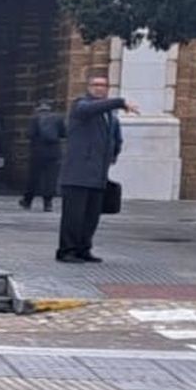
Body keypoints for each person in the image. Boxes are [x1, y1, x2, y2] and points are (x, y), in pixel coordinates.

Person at [56, 75, 139, 263]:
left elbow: (114, 138)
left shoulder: (110, 116)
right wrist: (120, 102)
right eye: (96, 85)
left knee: (91, 217)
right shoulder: (81, 106)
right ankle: (67, 250)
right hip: (77, 174)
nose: (99, 88)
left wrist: (113, 154)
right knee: (74, 217)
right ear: (88, 87)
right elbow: (89, 109)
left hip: (98, 175)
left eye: (103, 85)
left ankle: (83, 248)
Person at [21, 99, 67, 212]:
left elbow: (30, 134)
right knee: (51, 178)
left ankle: (27, 200)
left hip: (37, 152)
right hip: (54, 152)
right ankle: (48, 203)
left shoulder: (34, 118)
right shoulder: (58, 118)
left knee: (33, 177)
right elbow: (64, 133)